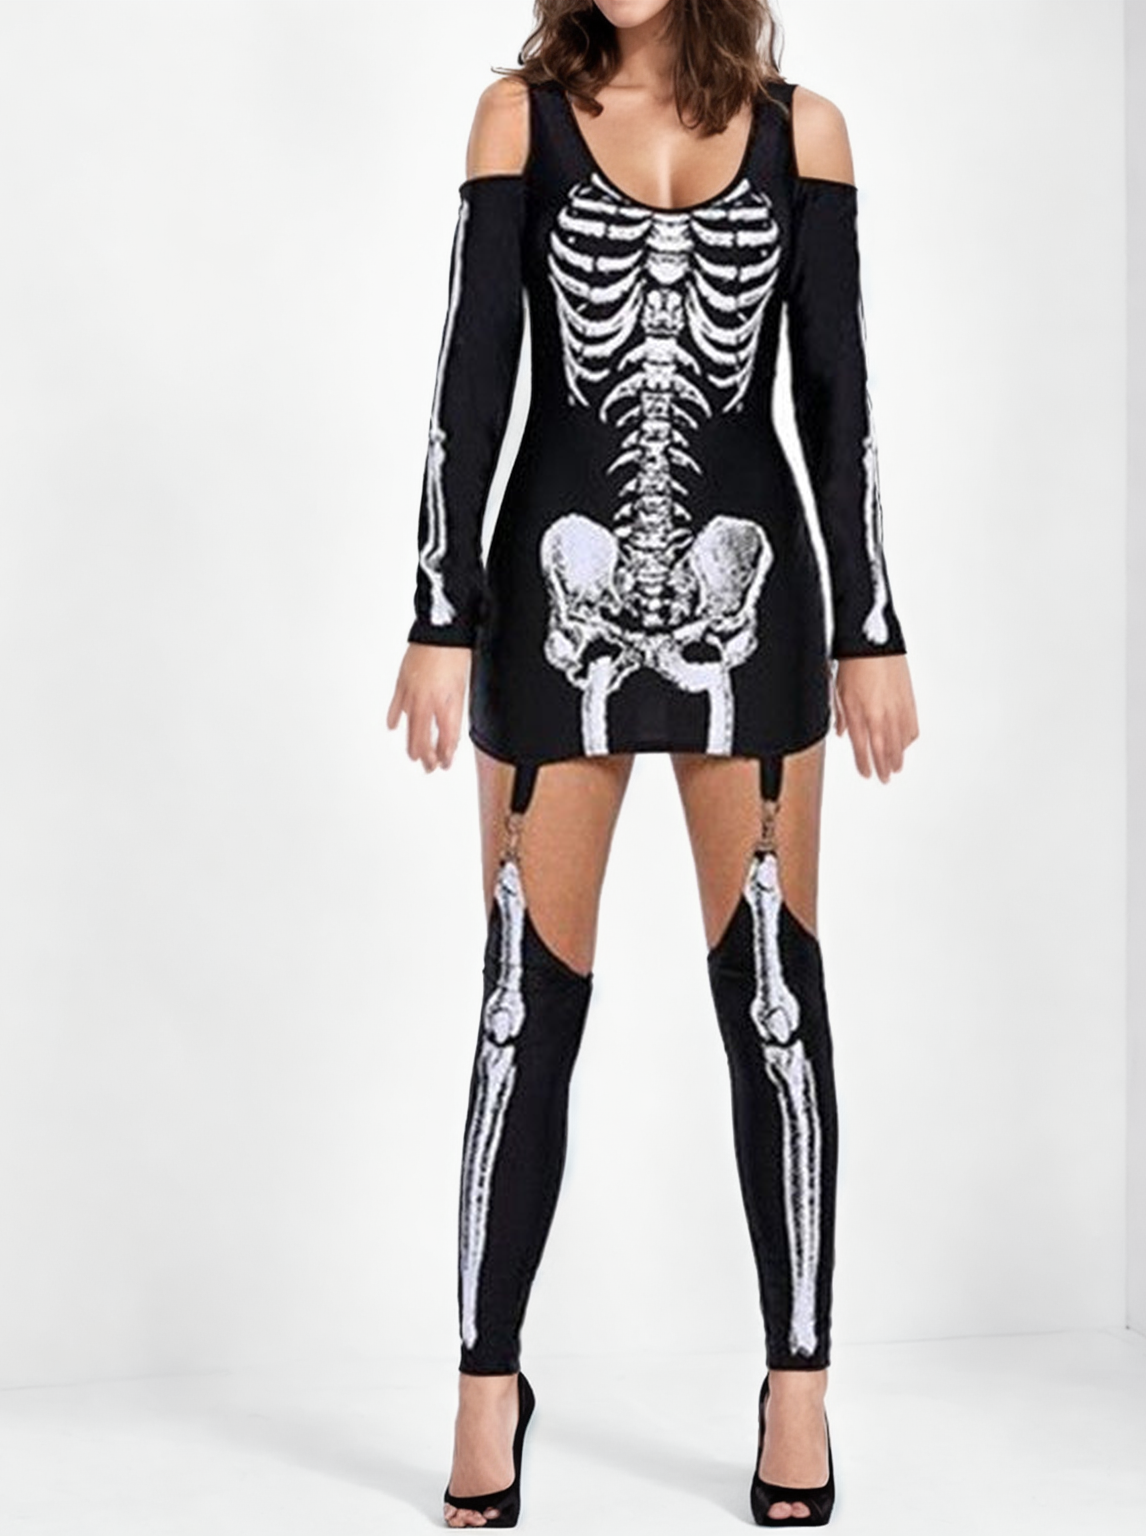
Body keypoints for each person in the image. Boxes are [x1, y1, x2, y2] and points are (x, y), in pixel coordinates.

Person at [385, 0, 919, 1524]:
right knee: (520, 1004)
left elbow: (836, 395)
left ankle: (799, 1384)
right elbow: (473, 374)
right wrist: (437, 612)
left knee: (773, 998)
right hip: (553, 606)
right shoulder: (521, 117)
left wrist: (872, 627)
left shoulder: (806, 133)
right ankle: (487, 1383)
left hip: (751, 612)